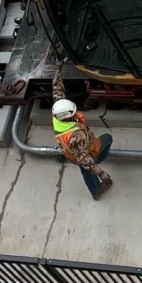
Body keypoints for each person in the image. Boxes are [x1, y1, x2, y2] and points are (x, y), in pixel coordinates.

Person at [51, 66, 113, 200]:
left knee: (85, 168)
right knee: (107, 140)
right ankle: (96, 188)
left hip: (69, 152)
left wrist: (58, 69)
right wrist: (100, 173)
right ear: (69, 115)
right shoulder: (76, 136)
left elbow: (57, 90)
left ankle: (95, 190)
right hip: (84, 153)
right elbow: (85, 160)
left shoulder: (58, 113)